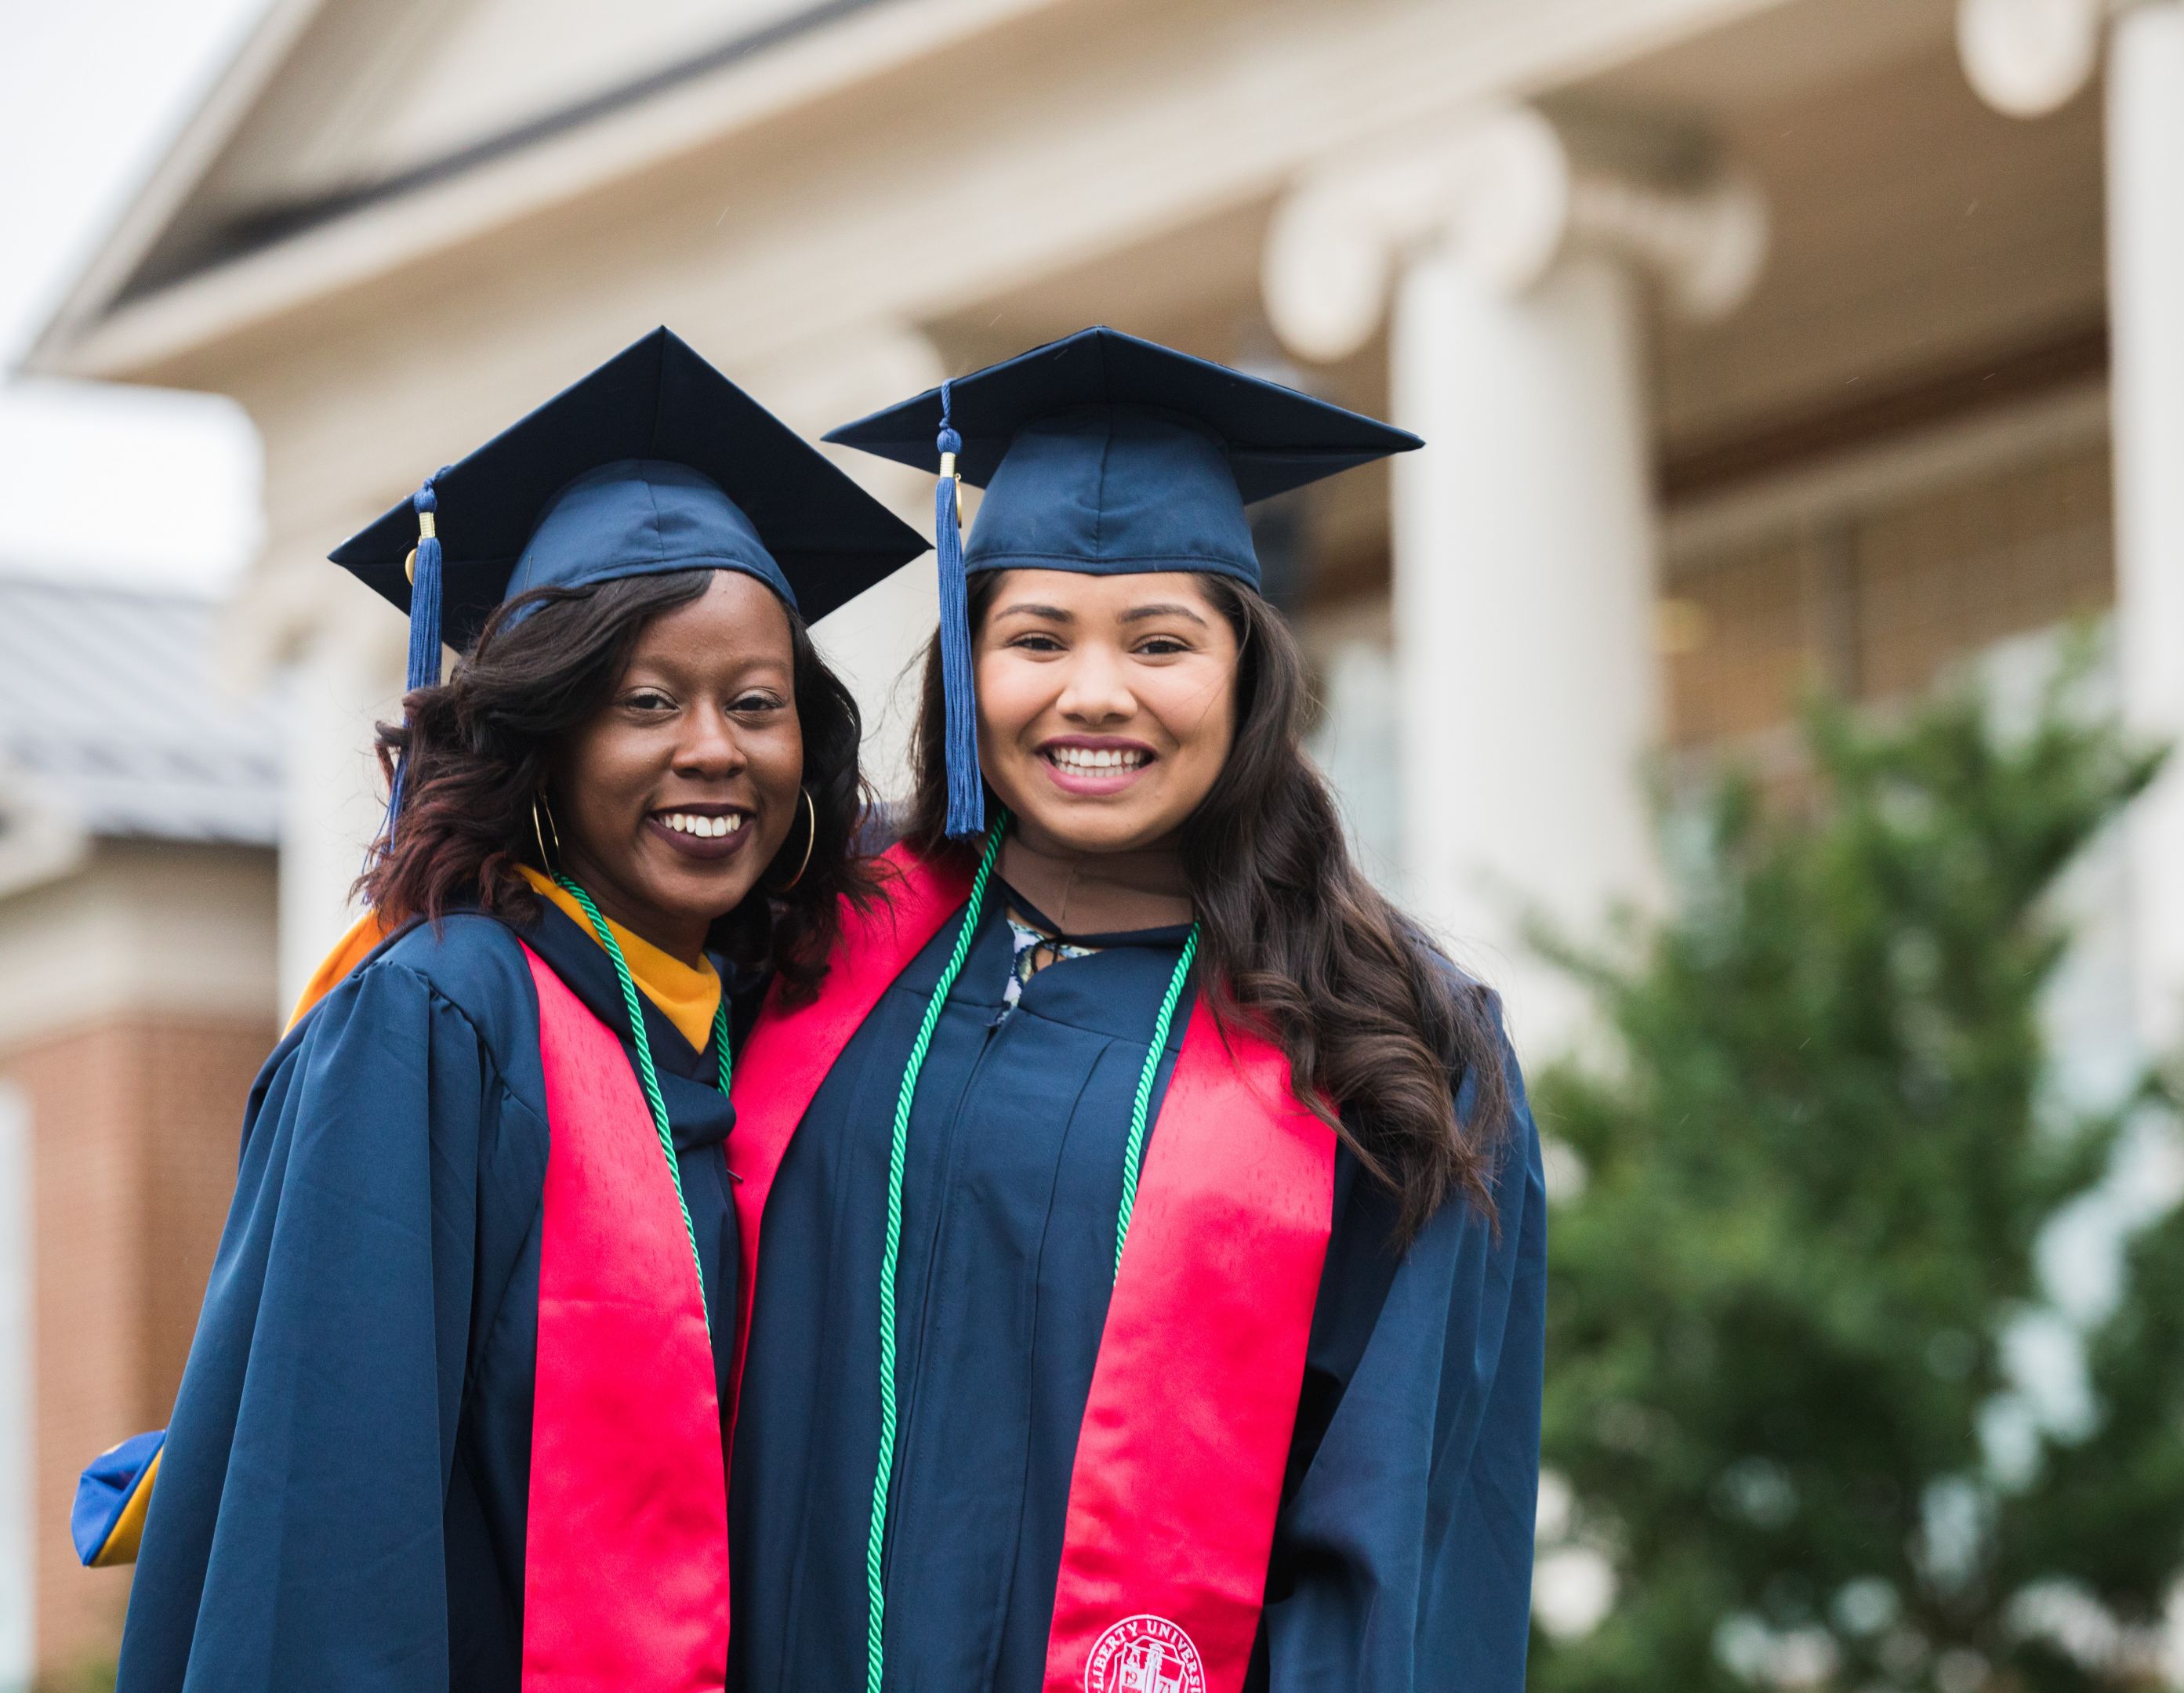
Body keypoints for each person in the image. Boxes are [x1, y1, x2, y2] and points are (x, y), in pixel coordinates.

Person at [95, 328, 927, 1692]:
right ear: (544, 735)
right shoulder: (437, 1018)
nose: (711, 747)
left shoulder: (747, 1037)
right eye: (644, 700)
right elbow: (331, 1512)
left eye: (756, 703)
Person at [725, 327, 1547, 1693]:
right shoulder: (811, 934)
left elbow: (1403, 1543)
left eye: (1160, 641)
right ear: (966, 666)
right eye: (1035, 636)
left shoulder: (1386, 1045)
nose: (1092, 693)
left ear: (1247, 674)